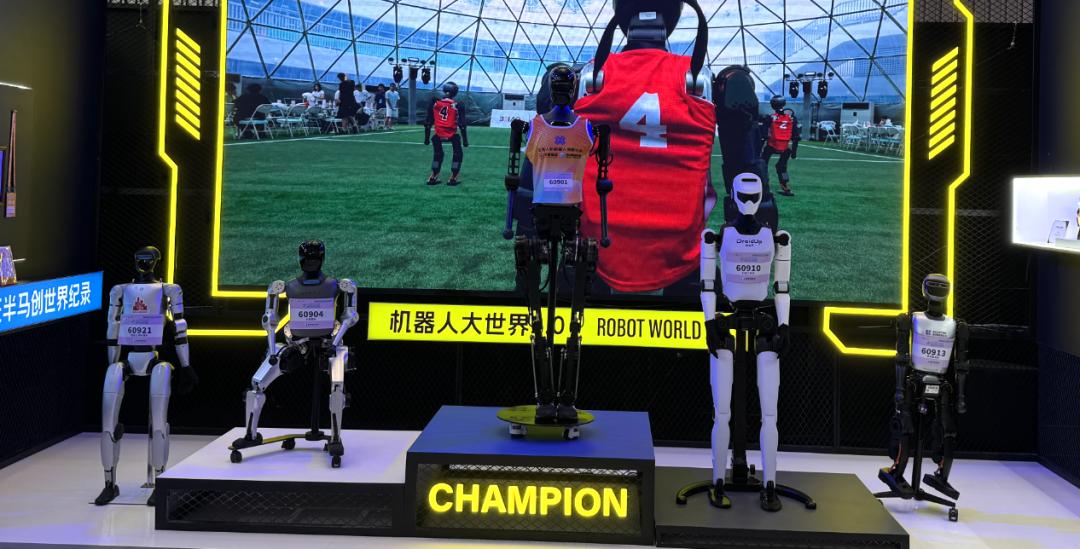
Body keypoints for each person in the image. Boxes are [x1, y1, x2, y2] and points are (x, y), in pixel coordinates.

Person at [424, 82, 469, 186]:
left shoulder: (435, 103)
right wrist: (465, 141)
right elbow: (462, 125)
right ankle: (453, 178)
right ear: (455, 92)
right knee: (458, 154)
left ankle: (433, 177)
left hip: (438, 134)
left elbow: (428, 123)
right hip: (452, 134)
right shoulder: (457, 105)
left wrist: (426, 138)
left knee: (438, 154)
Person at [761, 95, 798, 197]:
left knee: (762, 165)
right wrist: (794, 153)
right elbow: (796, 137)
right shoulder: (792, 118)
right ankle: (785, 187)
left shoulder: (769, 117)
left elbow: (763, 135)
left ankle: (764, 186)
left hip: (771, 146)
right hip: (785, 148)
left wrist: (759, 149)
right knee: (782, 166)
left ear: (772, 105)